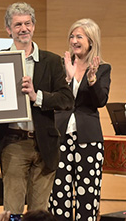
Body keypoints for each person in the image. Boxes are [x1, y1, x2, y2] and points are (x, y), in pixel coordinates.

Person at [0, 2, 74, 215]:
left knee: (40, 213)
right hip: (13, 143)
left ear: (34, 26)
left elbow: (66, 99)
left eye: (28, 23)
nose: (23, 28)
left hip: (45, 144)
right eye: (17, 25)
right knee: (13, 212)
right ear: (8, 29)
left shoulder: (52, 61)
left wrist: (38, 97)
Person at [48, 18, 111, 221]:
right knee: (59, 194)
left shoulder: (102, 68)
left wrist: (92, 80)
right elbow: (56, 99)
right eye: (72, 36)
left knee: (87, 195)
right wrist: (68, 78)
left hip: (89, 138)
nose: (74, 40)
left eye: (79, 36)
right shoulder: (61, 65)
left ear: (91, 41)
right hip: (60, 137)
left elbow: (100, 101)